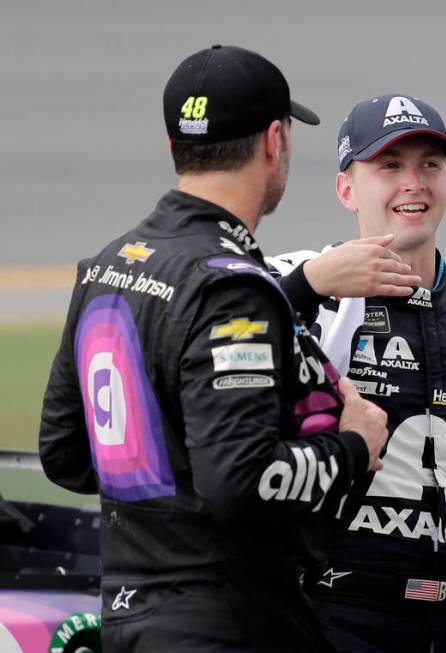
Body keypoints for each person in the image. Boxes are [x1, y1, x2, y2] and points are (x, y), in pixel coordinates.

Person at [38, 44, 401, 652]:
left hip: (128, 615)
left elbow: (65, 454)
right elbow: (240, 478)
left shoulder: (106, 266)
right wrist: (354, 448)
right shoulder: (231, 287)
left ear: (175, 148)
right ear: (273, 141)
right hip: (228, 621)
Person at [267, 94, 446, 653]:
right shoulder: (296, 289)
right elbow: (213, 353)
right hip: (333, 617)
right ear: (346, 189)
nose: (413, 183)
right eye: (389, 167)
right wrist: (307, 286)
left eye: (430, 165)